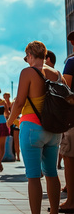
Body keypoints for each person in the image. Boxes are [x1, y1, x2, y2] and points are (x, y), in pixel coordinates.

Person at [7, 41, 65, 214]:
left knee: (33, 177)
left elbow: (19, 102)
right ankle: (54, 212)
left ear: (30, 55)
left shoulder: (28, 72)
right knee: (52, 173)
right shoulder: (56, 73)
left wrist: (9, 122)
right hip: (54, 130)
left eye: (27, 57)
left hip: (32, 127)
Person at [61, 32, 74, 211]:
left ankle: (71, 201)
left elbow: (66, 91)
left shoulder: (71, 62)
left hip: (72, 119)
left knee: (70, 157)